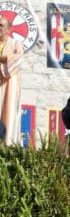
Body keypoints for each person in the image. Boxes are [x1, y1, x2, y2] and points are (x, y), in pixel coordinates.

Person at [0, 16, 24, 145]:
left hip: (9, 86)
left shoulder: (15, 44)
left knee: (8, 114)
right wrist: (5, 58)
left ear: (8, 29)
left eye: (1, 25)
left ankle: (7, 146)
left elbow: (18, 58)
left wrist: (2, 58)